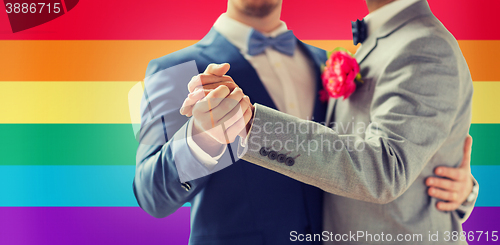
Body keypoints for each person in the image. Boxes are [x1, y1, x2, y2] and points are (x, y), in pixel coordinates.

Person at [136, 0, 476, 244]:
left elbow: (369, 153)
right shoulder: (171, 71)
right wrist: (200, 141)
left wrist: (455, 185)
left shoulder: (323, 62)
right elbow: (151, 195)